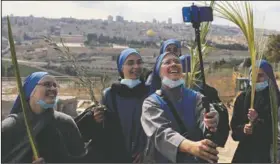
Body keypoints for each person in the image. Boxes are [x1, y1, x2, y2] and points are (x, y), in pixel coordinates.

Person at [141, 52, 220, 163]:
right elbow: (160, 133)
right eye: (167, 62)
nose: (173, 64)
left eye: (177, 61)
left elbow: (208, 113)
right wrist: (191, 147)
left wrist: (210, 120)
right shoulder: (151, 103)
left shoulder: (196, 97)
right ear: (158, 72)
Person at [77, 48, 149, 163]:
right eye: (130, 63)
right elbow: (104, 127)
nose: (136, 66)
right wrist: (95, 118)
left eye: (139, 62)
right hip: (115, 155)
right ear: (121, 67)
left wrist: (144, 150)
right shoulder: (111, 94)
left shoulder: (149, 93)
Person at [2, 72, 87, 163]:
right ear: (31, 91)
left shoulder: (66, 122)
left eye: (55, 85)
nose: (53, 88)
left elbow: (80, 159)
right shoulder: (10, 126)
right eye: (47, 84)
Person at [231, 59, 280, 163]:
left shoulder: (275, 100)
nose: (256, 80)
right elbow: (234, 132)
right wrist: (243, 130)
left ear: (269, 77)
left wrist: (257, 121)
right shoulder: (242, 98)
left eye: (260, 76)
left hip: (267, 154)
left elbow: (275, 131)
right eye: (253, 76)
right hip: (244, 155)